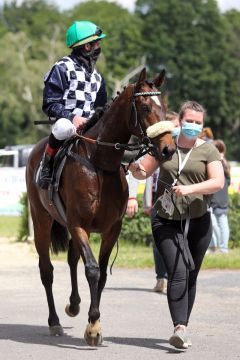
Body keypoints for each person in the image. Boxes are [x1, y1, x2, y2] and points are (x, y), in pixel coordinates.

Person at [129, 100, 224, 349]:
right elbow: (142, 172)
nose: (193, 126)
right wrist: (134, 167)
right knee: (178, 271)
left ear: (202, 125)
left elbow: (217, 182)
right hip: (166, 220)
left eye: (197, 122)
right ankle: (179, 328)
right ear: (179, 121)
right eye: (189, 121)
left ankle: (184, 325)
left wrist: (190, 189)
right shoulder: (166, 145)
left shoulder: (209, 150)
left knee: (191, 275)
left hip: (198, 222)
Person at [37, 20, 107, 189]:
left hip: (90, 128)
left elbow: (100, 108)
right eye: (96, 43)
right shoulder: (62, 68)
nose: (99, 46)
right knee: (63, 127)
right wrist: (72, 117)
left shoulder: (98, 77)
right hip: (67, 124)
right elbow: (49, 104)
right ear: (87, 47)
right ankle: (46, 166)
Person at [126, 111, 180, 294]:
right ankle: (161, 278)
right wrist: (132, 197)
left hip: (181, 201)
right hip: (159, 201)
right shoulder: (156, 149)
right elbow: (137, 170)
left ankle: (177, 277)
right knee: (159, 241)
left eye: (175, 129)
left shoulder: (186, 150)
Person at [209, 139, 231, 253]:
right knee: (212, 224)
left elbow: (227, 181)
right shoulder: (213, 162)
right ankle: (213, 246)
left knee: (222, 224)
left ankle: (223, 248)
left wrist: (221, 160)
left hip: (220, 200)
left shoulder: (224, 164)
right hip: (212, 199)